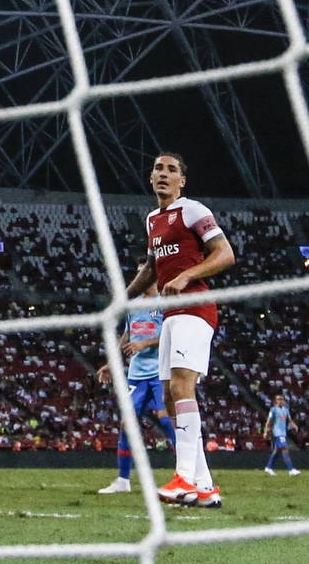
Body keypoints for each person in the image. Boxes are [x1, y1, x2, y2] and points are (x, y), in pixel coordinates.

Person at [122, 152, 233, 508]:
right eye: (158, 169)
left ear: (182, 181)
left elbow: (225, 253)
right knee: (170, 398)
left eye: (171, 170)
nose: (163, 174)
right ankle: (205, 486)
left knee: (183, 387)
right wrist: (124, 298)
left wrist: (187, 275)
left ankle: (183, 477)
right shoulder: (153, 219)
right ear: (151, 177)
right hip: (171, 315)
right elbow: (153, 268)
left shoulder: (193, 210)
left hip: (196, 308)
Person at [96, 268, 176, 493]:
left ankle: (185, 476)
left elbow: (172, 333)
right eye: (138, 274)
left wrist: (146, 343)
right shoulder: (133, 304)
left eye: (145, 272)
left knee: (167, 421)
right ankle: (123, 481)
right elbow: (128, 334)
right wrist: (112, 363)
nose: (140, 277)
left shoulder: (166, 301)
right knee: (126, 424)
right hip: (136, 374)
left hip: (160, 372)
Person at [263, 394, 300, 476]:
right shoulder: (273, 410)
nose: (281, 401)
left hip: (283, 432)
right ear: (276, 401)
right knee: (285, 449)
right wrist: (266, 431)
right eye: (279, 399)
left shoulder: (286, 410)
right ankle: (291, 469)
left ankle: (269, 467)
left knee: (277, 450)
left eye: (282, 399)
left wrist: (294, 425)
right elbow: (269, 421)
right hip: (277, 432)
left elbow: (289, 419)